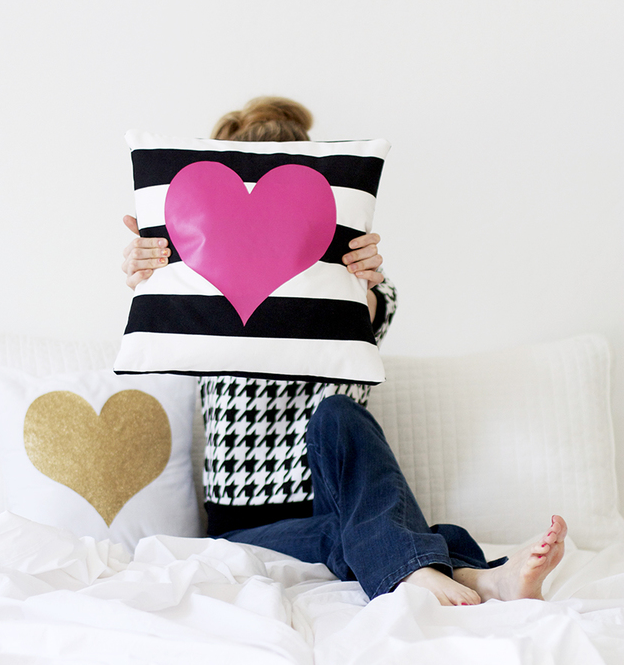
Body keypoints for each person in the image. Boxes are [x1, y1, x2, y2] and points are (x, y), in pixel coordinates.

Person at [122, 96, 567, 606]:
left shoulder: (352, 283)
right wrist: (149, 270)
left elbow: (376, 310)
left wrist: (358, 281)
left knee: (338, 417)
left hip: (340, 495)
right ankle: (474, 575)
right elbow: (161, 304)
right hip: (247, 527)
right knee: (351, 534)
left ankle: (450, 572)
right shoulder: (198, 281)